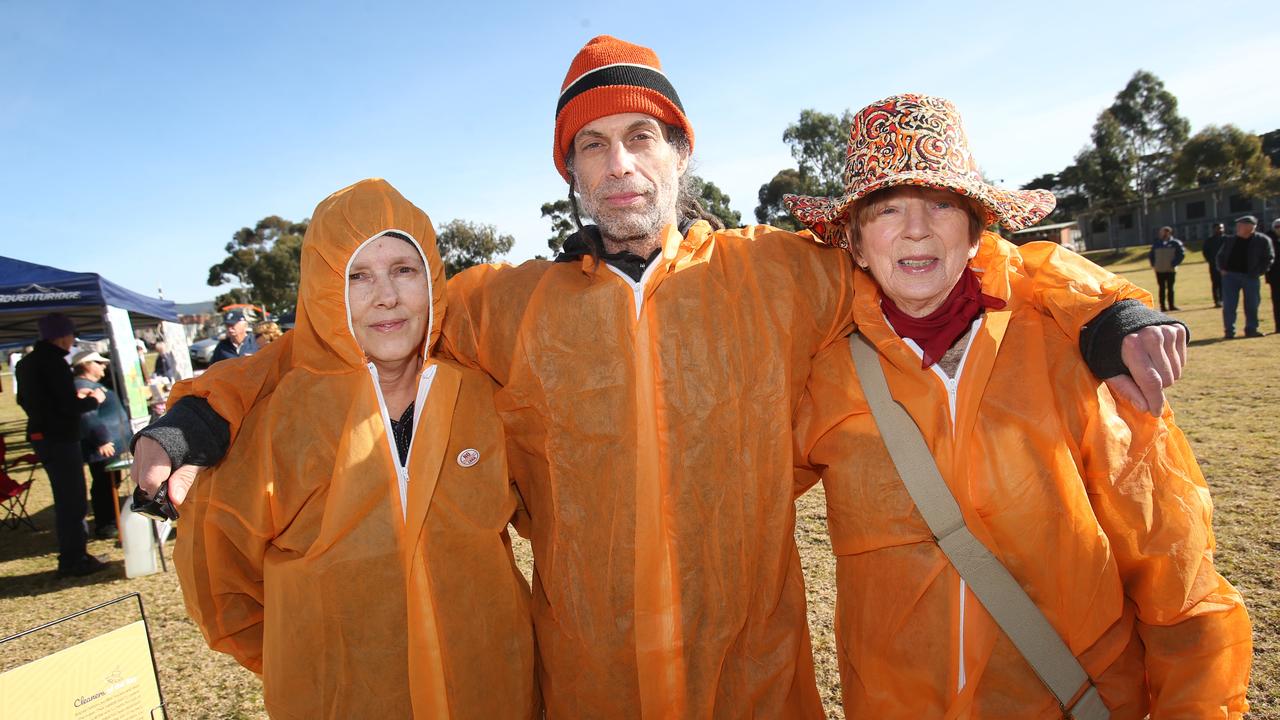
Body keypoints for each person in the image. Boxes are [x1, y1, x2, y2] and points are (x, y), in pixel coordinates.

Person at [133, 37, 1188, 717]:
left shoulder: (779, 274)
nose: (618, 164)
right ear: (570, 173)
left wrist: (1107, 309)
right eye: (590, 148)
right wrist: (193, 418)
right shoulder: (502, 304)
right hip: (590, 686)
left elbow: (950, 258)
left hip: (756, 682)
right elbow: (340, 326)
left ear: (681, 151)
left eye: (641, 137)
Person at [789, 94, 1252, 718]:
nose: (917, 228)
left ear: (978, 229)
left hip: (1071, 698)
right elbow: (732, 507)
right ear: (855, 243)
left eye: (943, 205)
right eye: (886, 209)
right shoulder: (825, 375)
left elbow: (1173, 561)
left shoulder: (1070, 348)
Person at [174, 179, 538, 718]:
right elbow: (220, 586)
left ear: (431, 281)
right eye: (358, 276)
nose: (386, 296)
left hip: (493, 693)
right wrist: (309, 662)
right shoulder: (275, 426)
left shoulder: (483, 399)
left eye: (403, 270)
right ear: (325, 291)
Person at [14, 313, 109, 577]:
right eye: (71, 337)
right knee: (73, 500)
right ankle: (74, 559)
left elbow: (24, 400)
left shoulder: (26, 363)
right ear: (62, 336)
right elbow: (67, 406)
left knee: (67, 498)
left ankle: (76, 553)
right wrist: (93, 400)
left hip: (41, 435)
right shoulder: (54, 363)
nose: (71, 343)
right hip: (60, 437)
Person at [71, 350, 129, 539]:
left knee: (110, 482)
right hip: (102, 447)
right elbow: (86, 415)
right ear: (87, 365)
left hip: (109, 445)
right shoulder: (81, 386)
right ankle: (106, 524)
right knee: (104, 485)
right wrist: (101, 439)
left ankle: (111, 519)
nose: (103, 366)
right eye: (98, 362)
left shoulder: (91, 385)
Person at [1217, 215, 1275, 338]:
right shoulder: (1230, 240)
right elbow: (1220, 256)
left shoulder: (1262, 240)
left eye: (1241, 224)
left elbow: (1269, 258)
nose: (1238, 227)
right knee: (1229, 305)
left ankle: (1251, 329)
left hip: (1251, 277)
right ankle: (1229, 331)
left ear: (1251, 226)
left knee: (1252, 305)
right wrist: (1222, 269)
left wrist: (1259, 272)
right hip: (1230, 277)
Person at [1149, 225, 1185, 311]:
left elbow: (1181, 255)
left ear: (1169, 233)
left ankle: (1171, 305)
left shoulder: (1175, 243)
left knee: (1170, 288)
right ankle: (1163, 306)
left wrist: (1174, 264)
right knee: (1161, 288)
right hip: (1159, 270)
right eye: (1161, 232)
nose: (1163, 234)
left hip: (1170, 270)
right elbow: (1151, 255)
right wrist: (1154, 265)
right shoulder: (1157, 243)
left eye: (1165, 232)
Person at [1204, 222, 1227, 307]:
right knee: (1216, 283)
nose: (1220, 230)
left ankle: (1224, 300)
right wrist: (1210, 260)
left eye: (1221, 228)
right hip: (1214, 265)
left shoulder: (1227, 239)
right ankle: (1217, 301)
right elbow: (1205, 252)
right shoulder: (1209, 241)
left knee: (1225, 283)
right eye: (1218, 228)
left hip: (1226, 266)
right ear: (1214, 229)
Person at [1268, 219, 1280, 332]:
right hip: (1275, 277)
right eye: (1277, 227)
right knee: (1277, 302)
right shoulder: (1268, 240)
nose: (1279, 229)